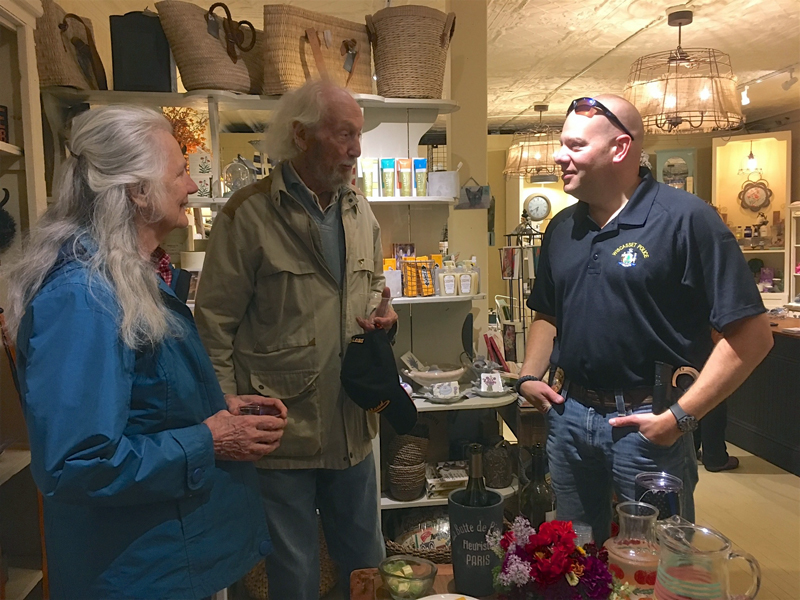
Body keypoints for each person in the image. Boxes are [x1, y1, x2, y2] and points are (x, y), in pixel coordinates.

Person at [5, 105, 288, 599]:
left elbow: (144, 405)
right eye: (179, 172)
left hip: (166, 560)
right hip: (138, 575)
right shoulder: (84, 298)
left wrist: (217, 412)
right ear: (138, 191)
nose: (192, 186)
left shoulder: (133, 278)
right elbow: (76, 464)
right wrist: (210, 439)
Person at [515, 95, 773, 543]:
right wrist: (528, 374)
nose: (559, 155)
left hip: (649, 424)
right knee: (574, 558)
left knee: (657, 561)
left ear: (620, 149)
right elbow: (547, 314)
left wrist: (680, 419)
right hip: (570, 417)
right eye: (562, 144)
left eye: (574, 145)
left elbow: (752, 336)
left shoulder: (686, 220)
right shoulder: (560, 228)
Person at [194, 80, 397, 600]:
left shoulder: (360, 210)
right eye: (345, 134)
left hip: (352, 425)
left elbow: (370, 287)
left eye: (359, 136)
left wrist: (382, 315)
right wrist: (223, 415)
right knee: (293, 577)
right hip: (279, 430)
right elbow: (213, 326)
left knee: (364, 569)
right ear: (302, 135)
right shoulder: (249, 214)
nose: (356, 149)